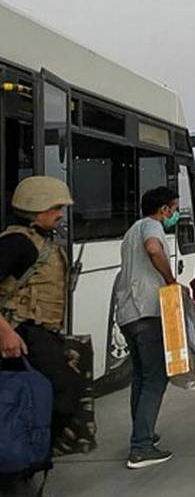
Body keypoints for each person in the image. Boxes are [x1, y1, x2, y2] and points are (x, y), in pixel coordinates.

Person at [0, 176, 83, 447]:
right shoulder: (17, 243)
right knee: (60, 395)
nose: (60, 215)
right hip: (22, 334)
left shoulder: (36, 240)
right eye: (55, 208)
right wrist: (6, 333)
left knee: (58, 394)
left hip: (37, 334)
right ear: (36, 210)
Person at [111, 186, 180, 469]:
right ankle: (141, 447)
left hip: (127, 314)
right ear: (163, 209)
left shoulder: (131, 232)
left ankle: (143, 432)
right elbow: (154, 249)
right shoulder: (152, 226)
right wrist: (170, 279)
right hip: (146, 312)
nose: (174, 215)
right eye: (173, 210)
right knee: (156, 378)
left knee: (140, 377)